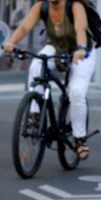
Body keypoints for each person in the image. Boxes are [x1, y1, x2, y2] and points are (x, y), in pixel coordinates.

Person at [2, 0, 95, 159]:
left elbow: (80, 29)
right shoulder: (41, 7)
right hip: (56, 47)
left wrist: (80, 48)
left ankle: (80, 139)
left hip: (81, 51)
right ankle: (35, 116)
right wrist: (11, 42)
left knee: (76, 92)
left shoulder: (75, 6)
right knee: (36, 67)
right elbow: (24, 27)